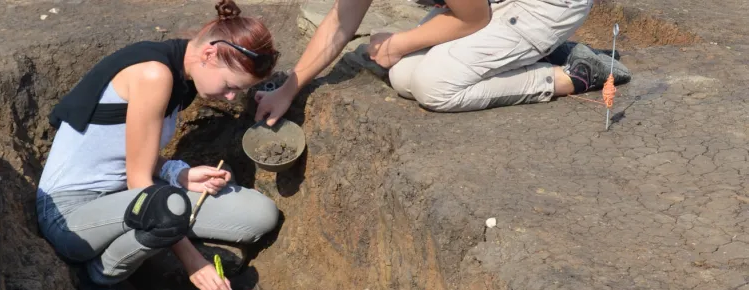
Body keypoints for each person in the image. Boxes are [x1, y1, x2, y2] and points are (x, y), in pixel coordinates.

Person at [37, 0, 280, 290]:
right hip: (71, 216)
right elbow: (140, 183)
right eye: (230, 86)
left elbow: (134, 152)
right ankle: (100, 277)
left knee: (259, 215)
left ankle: (143, 246)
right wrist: (195, 263)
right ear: (209, 55)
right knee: (166, 209)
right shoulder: (154, 74)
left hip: (125, 197)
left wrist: (176, 173)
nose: (229, 98)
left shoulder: (183, 76)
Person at [255, 0, 630, 120]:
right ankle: (525, 52)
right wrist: (289, 88)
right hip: (491, 3)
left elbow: (473, 18)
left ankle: (573, 73)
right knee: (403, 75)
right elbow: (341, 21)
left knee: (435, 87)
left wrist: (400, 41)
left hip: (545, 5)